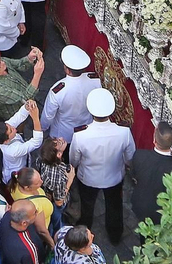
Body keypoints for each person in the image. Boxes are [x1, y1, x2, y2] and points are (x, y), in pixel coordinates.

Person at [68, 89, 134, 244]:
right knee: (114, 207)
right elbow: (130, 156)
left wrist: (75, 167)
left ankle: (84, 231)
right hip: (114, 177)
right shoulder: (123, 132)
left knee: (87, 206)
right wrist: (127, 167)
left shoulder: (80, 135)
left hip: (88, 178)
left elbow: (74, 160)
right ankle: (115, 235)